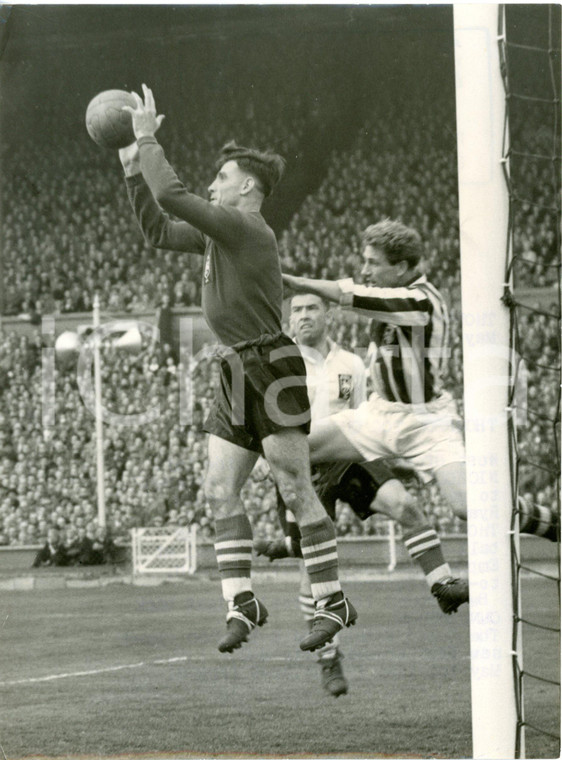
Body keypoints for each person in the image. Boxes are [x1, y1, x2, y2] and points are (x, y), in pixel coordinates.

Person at [119, 85, 357, 654]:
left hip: (271, 362)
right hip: (234, 366)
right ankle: (242, 602)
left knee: (294, 484)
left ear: (246, 186)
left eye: (220, 178)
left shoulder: (245, 227)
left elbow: (173, 195)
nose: (212, 185)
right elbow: (156, 230)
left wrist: (148, 138)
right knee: (219, 490)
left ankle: (333, 600)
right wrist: (132, 172)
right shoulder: (219, 233)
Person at [283, 218, 560, 543]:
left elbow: (352, 295)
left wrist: (295, 282)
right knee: (288, 450)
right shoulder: (390, 299)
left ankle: (553, 524)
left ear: (401, 267)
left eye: (373, 262)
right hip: (378, 414)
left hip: (427, 422)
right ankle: (300, 539)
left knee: (468, 505)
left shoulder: (421, 300)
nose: (365, 269)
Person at [256, 292, 468, 698]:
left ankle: (442, 585)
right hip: (303, 467)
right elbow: (265, 420)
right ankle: (329, 658)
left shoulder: (352, 364)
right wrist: (266, 458)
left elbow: (373, 415)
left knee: (405, 505)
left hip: (347, 451)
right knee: (311, 570)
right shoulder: (279, 363)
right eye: (296, 310)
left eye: (311, 308)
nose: (303, 316)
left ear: (326, 313)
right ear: (289, 318)